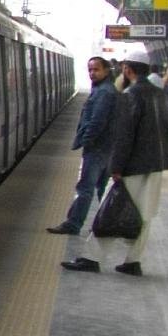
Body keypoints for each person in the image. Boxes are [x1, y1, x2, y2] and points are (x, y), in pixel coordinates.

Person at [62, 50, 168, 275]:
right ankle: (133, 262)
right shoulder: (160, 94)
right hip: (155, 165)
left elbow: (125, 135)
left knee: (110, 211)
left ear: (127, 69)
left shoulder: (131, 95)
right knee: (145, 214)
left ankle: (91, 258)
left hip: (133, 166)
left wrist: (116, 167)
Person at [47, 57, 116, 235]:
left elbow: (97, 121)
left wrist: (86, 140)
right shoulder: (104, 89)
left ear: (106, 71)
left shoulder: (104, 92)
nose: (92, 73)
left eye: (96, 69)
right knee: (99, 189)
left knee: (85, 188)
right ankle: (102, 223)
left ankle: (74, 224)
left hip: (98, 149)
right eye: (90, 70)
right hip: (105, 147)